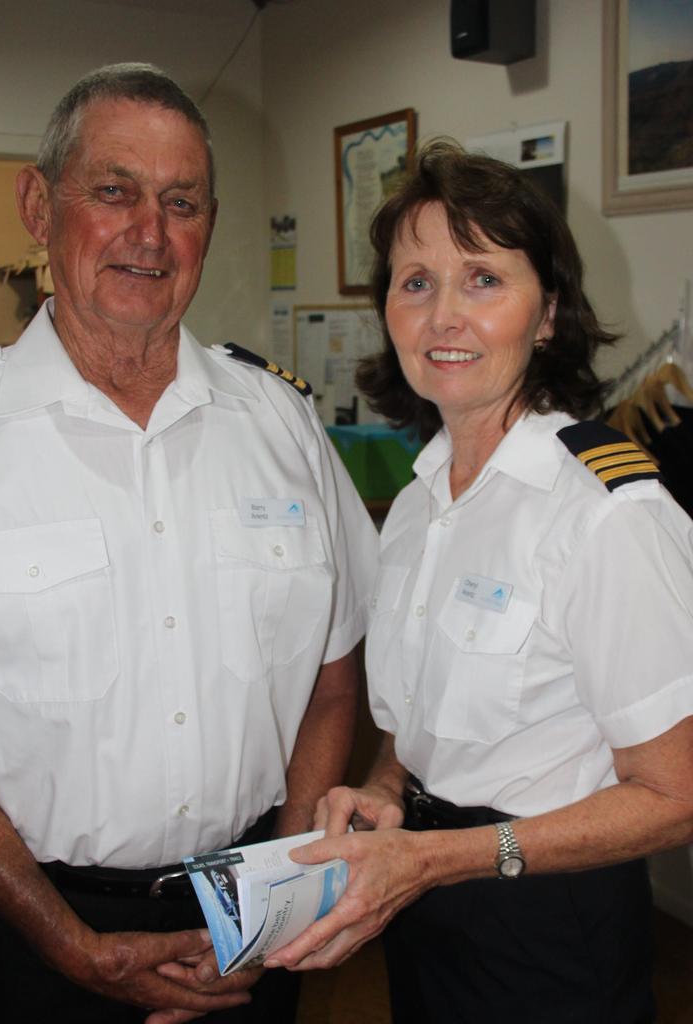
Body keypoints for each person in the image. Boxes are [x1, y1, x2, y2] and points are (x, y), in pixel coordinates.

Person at [0, 63, 377, 1024]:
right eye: (114, 191)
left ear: (209, 224)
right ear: (38, 205)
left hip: (247, 918)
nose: (149, 232)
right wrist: (70, 945)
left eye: (181, 203)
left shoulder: (281, 424)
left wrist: (272, 902)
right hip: (30, 939)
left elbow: (336, 680)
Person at [267, 139, 693, 1022]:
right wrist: (386, 791)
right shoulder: (421, 503)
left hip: (546, 925)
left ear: (547, 315)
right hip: (423, 896)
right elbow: (418, 732)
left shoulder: (607, 513)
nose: (443, 316)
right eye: (416, 281)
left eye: (484, 280)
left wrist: (439, 859)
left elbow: (676, 795)